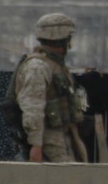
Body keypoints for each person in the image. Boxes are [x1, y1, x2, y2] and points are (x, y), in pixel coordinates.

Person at [14, 13, 88, 163]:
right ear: (61, 40)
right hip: (48, 139)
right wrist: (36, 145)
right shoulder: (38, 67)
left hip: (64, 134)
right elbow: (33, 107)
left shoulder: (55, 65)